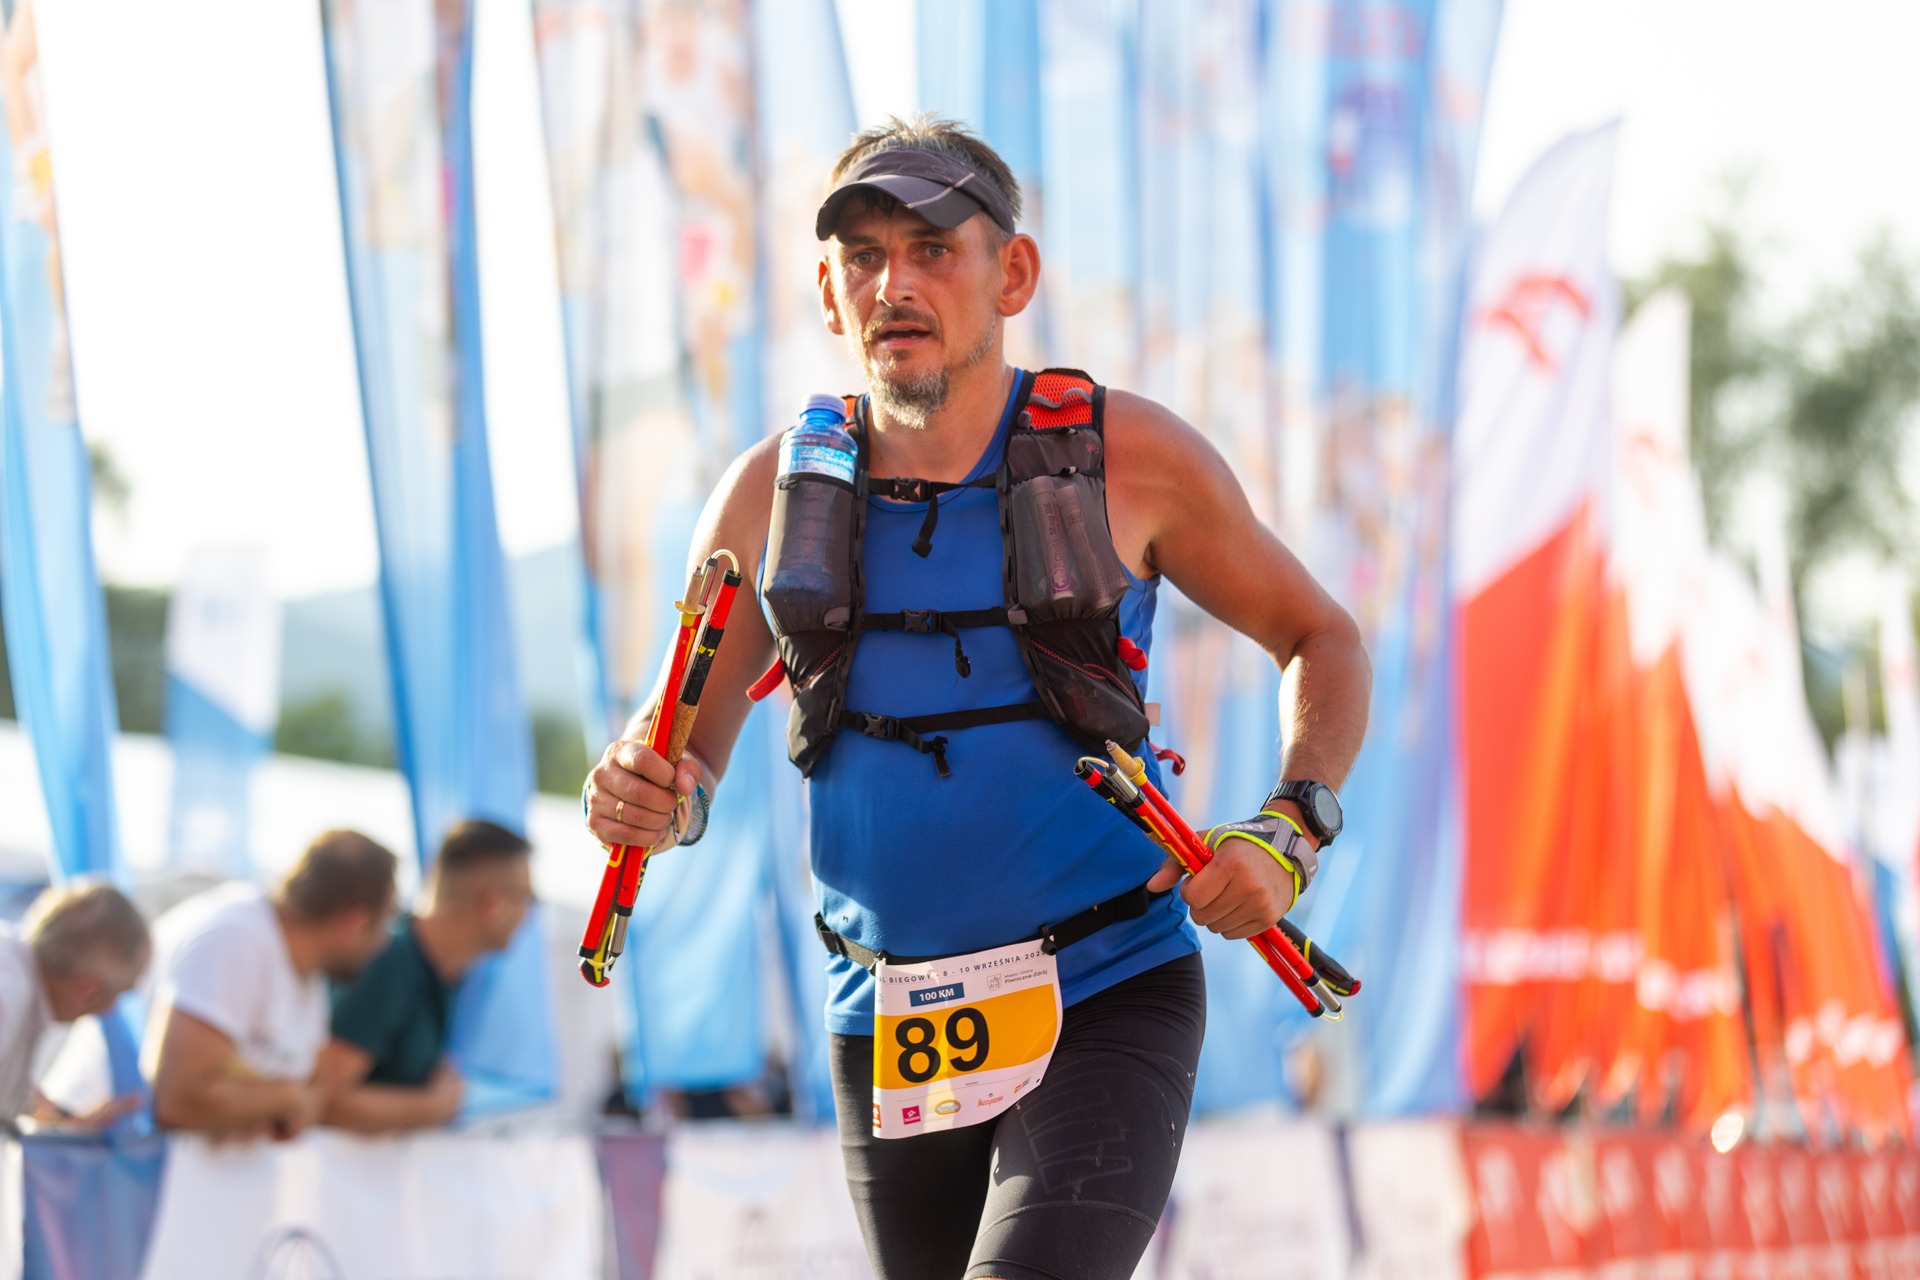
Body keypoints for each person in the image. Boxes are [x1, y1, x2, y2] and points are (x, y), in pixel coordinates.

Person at [583, 115, 1371, 1280]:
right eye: (862, 256)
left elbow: (1322, 636)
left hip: (1106, 985)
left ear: (1013, 273)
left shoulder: (1130, 457)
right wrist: (644, 795)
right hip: (888, 1018)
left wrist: (1291, 827)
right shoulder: (767, 495)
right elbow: (677, 761)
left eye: (931, 248)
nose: (893, 284)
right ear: (826, 291)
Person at [145, 829, 396, 1140]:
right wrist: (284, 1097)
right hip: (124, 1160)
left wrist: (281, 1102)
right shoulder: (235, 940)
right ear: (354, 924)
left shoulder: (307, 964)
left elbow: (314, 1093)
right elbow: (178, 1101)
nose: (385, 942)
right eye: (384, 922)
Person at [316, 819, 535, 1133]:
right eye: (527, 898)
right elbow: (326, 1100)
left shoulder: (442, 970)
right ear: (493, 905)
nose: (528, 914)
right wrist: (436, 1105)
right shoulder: (389, 961)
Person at [0, 880, 149, 1130]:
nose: (111, 1009)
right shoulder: (10, 991)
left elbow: (10, 1086)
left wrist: (66, 1120)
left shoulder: (18, 979)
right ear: (88, 990)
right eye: (119, 993)